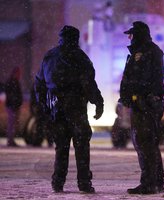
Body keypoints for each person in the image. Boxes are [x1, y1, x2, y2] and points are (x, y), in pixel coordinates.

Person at [34, 25, 104, 193]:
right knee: (81, 147)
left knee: (61, 148)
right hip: (77, 109)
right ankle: (84, 182)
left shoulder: (50, 56)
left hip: (57, 109)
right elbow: (88, 83)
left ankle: (58, 182)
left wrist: (43, 104)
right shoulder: (80, 57)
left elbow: (39, 83)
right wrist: (98, 102)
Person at [119, 21, 164, 194]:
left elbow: (143, 79)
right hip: (142, 102)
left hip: (145, 103)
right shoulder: (144, 51)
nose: (130, 38)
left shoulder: (147, 52)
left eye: (132, 35)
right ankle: (156, 181)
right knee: (149, 143)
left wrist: (137, 95)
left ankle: (149, 183)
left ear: (138, 35)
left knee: (144, 143)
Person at [5, 67, 23, 147]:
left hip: (14, 106)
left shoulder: (15, 82)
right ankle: (10, 140)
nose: (19, 75)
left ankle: (11, 140)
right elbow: (11, 95)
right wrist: (14, 103)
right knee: (11, 124)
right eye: (18, 73)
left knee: (12, 125)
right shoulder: (12, 82)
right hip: (12, 106)